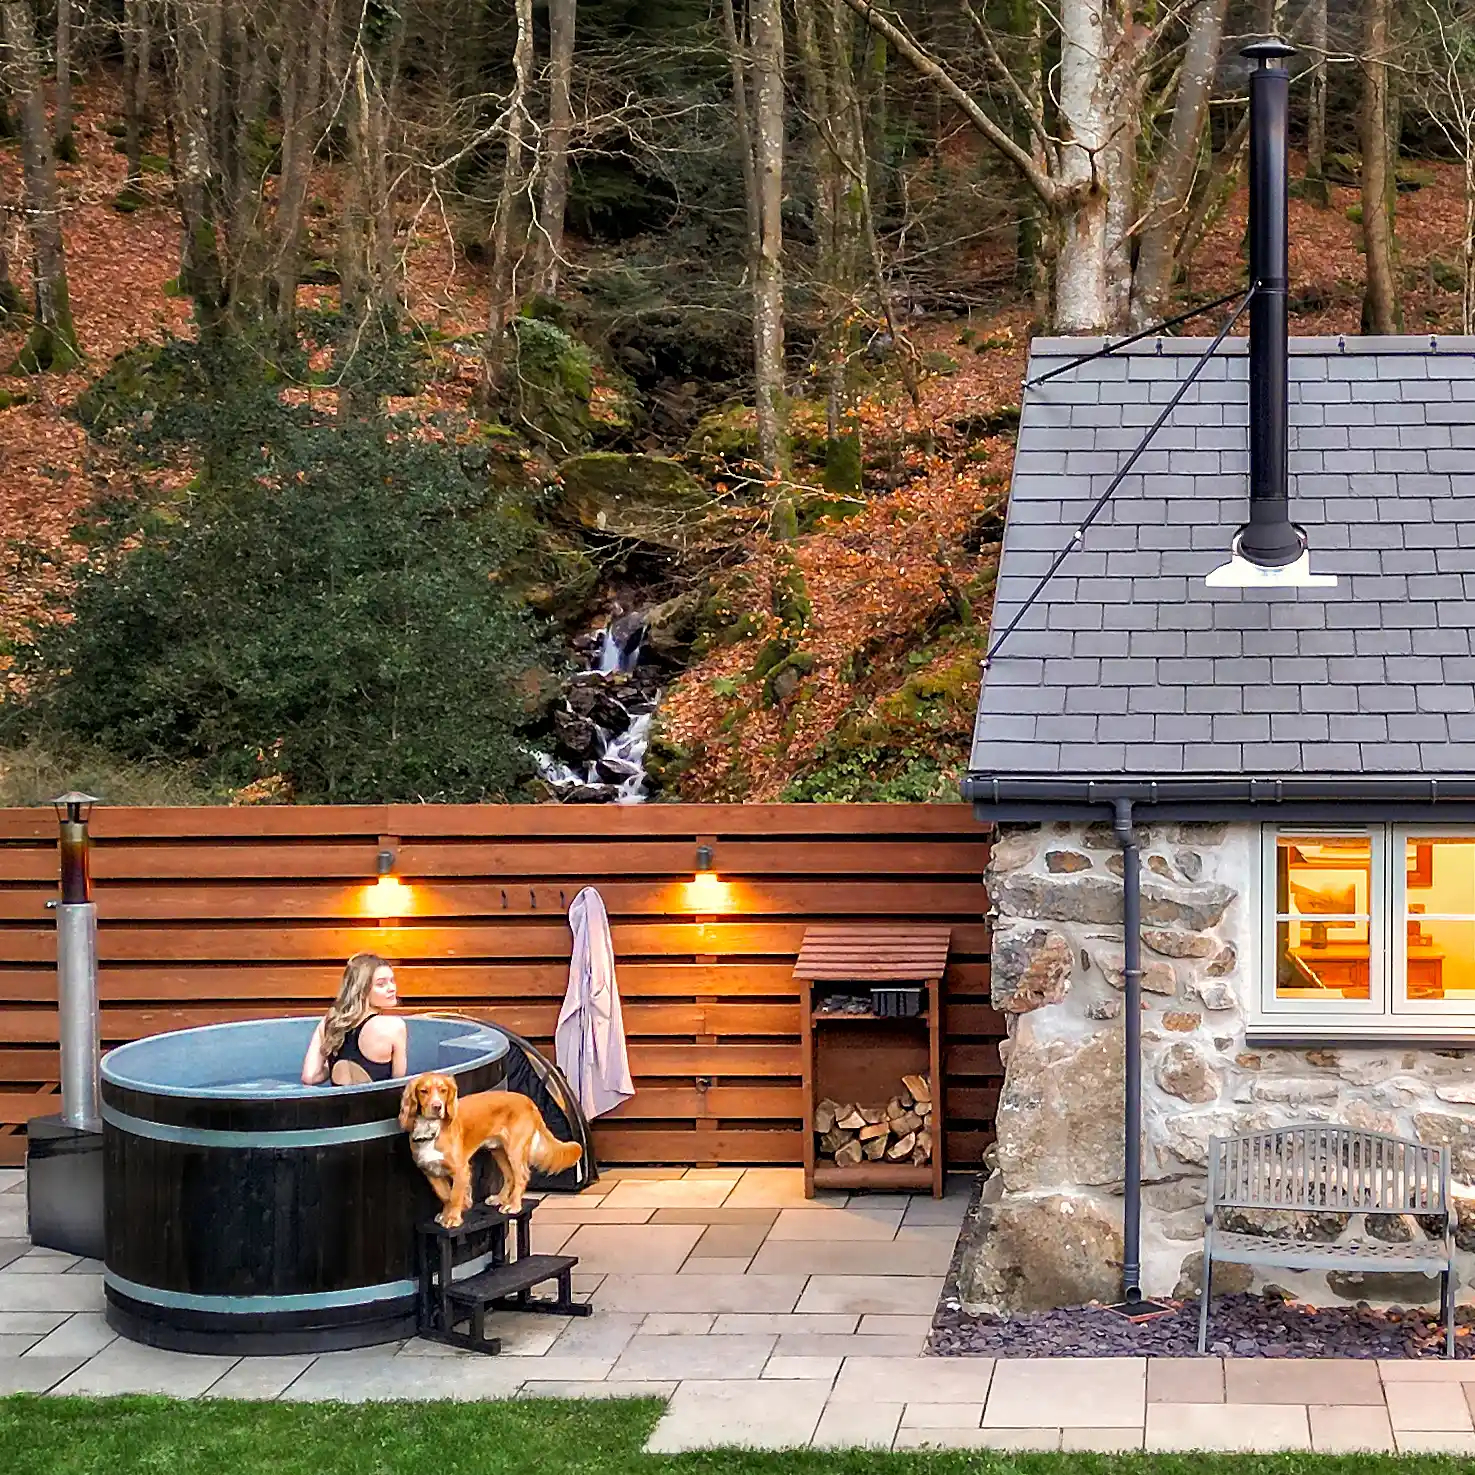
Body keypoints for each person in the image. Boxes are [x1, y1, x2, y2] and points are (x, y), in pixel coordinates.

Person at [300, 953, 408, 1086]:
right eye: (381, 984)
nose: (392, 988)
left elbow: (310, 1077)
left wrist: (338, 1062)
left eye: (392, 981)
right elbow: (398, 1083)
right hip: (377, 1105)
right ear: (361, 990)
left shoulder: (330, 1021)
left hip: (335, 1105)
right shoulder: (394, 1026)